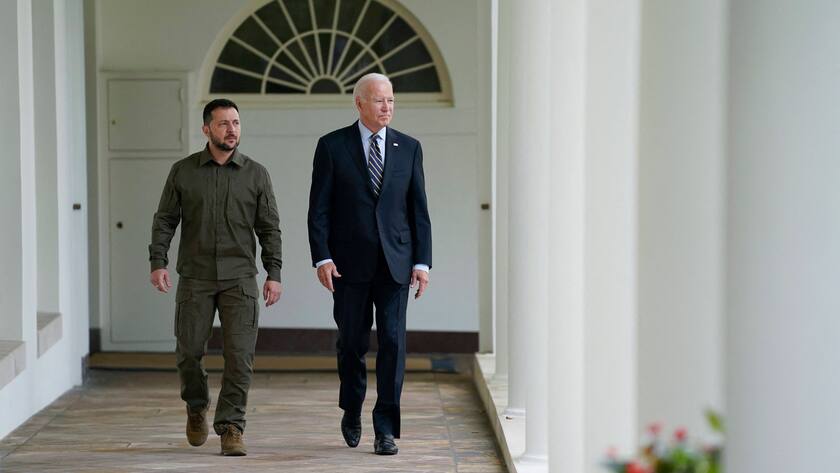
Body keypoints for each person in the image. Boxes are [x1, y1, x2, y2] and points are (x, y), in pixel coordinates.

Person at [148, 98, 283, 456]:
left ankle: (231, 428)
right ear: (206, 129)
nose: (232, 130)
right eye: (223, 124)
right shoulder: (183, 171)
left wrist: (274, 273)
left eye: (236, 122)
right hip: (195, 277)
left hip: (240, 278)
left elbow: (269, 227)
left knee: (240, 356)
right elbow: (165, 220)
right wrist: (158, 261)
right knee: (188, 352)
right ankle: (196, 406)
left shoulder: (256, 174)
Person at [307, 73, 432, 455]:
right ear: (359, 103)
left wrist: (422, 262)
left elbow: (418, 211)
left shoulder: (409, 147)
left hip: (395, 264)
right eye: (379, 100)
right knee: (351, 343)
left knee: (393, 344)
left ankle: (386, 429)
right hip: (348, 266)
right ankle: (352, 408)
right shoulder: (331, 146)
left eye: (391, 100)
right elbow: (319, 209)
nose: (387, 107)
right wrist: (322, 257)